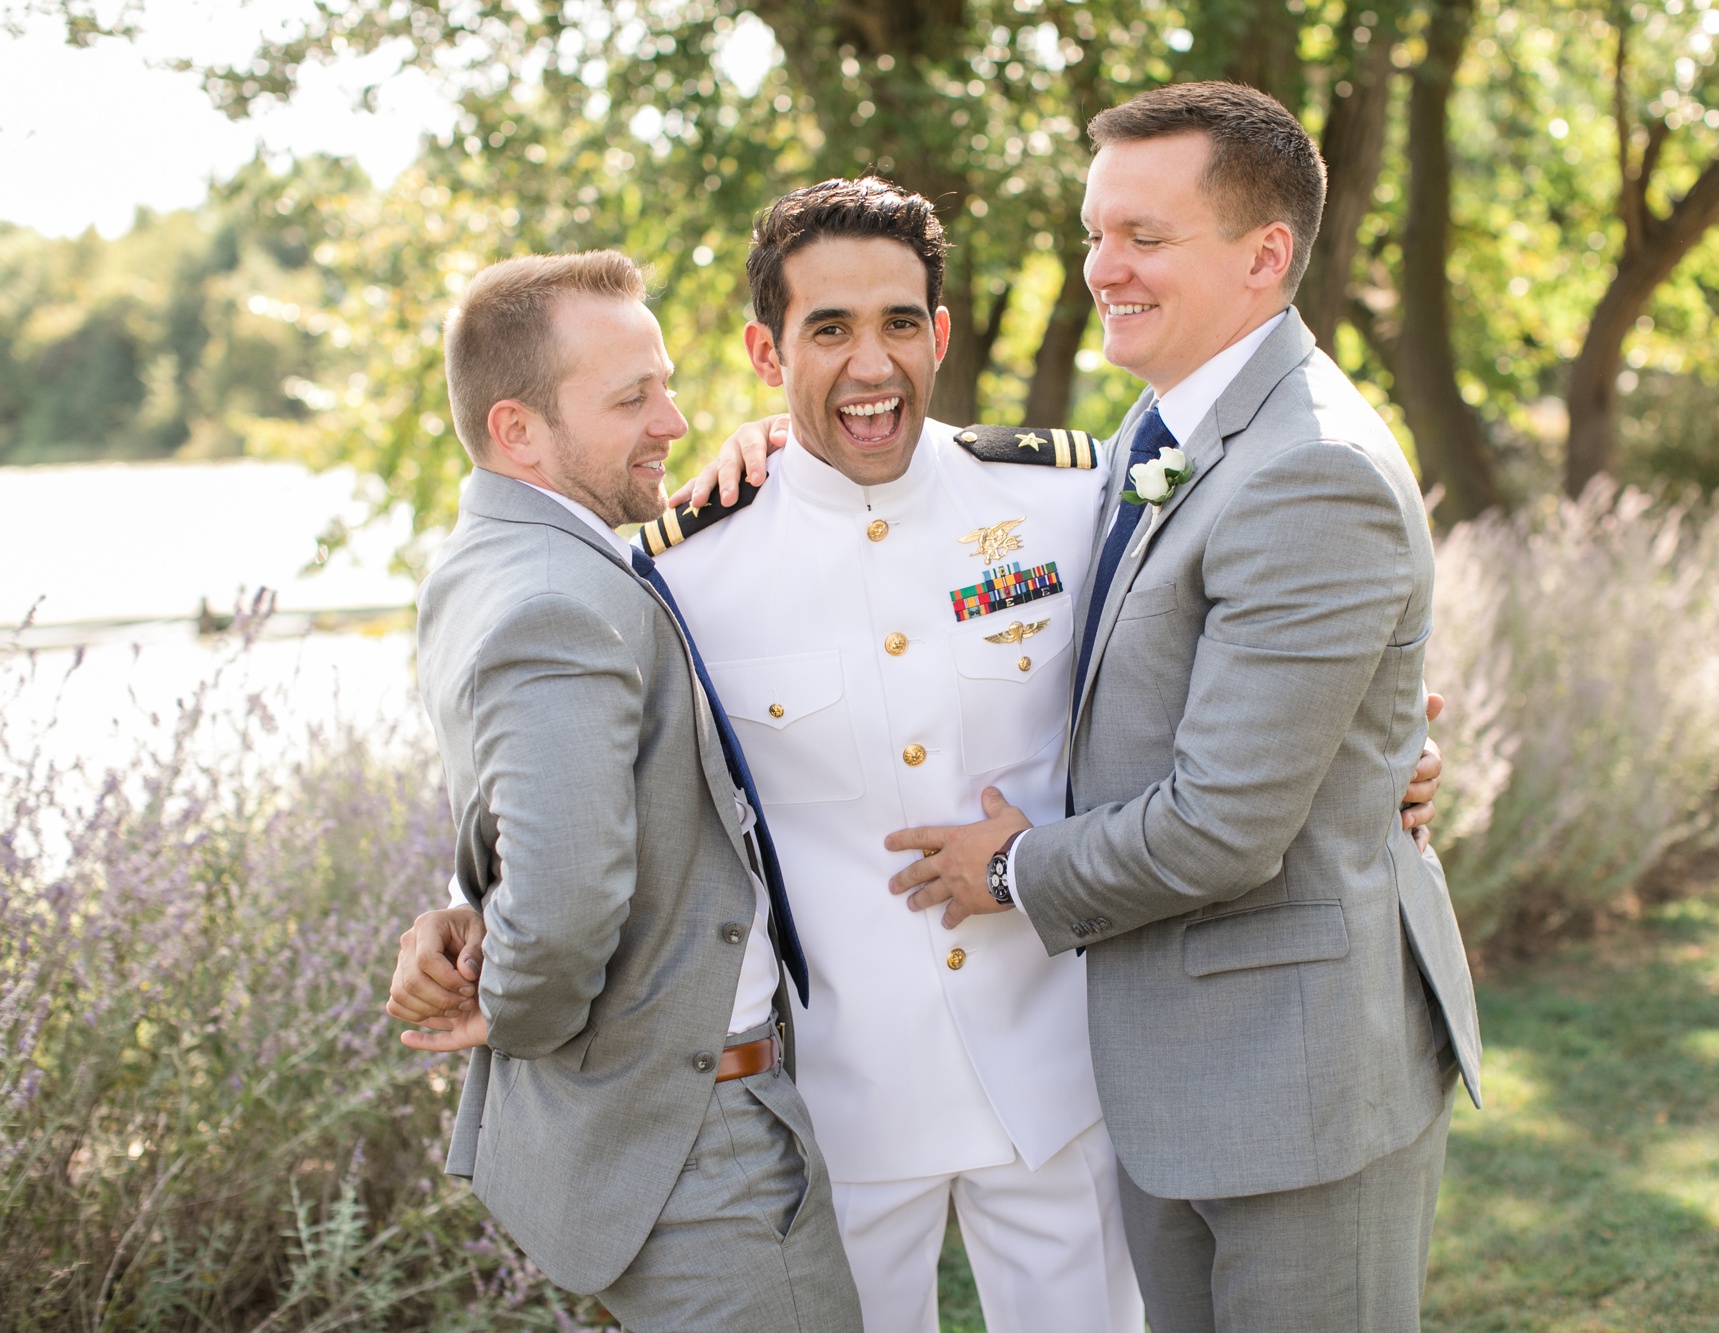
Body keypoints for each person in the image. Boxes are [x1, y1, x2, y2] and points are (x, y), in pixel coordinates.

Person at [390, 180, 1448, 1332]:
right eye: (827, 330)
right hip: (844, 1102)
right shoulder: (683, 570)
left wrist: (1388, 752)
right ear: (763, 348)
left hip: (1065, 1074)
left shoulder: (1069, 496)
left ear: (938, 334)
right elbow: (592, 775)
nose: (870, 363)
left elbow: (1247, 646)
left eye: (899, 322)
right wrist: (466, 906)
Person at [857, 82, 1483, 1332]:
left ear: (1263, 257)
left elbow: (1221, 827)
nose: (1101, 268)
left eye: (1143, 237)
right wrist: (776, 462)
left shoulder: (1307, 467)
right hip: (1175, 1075)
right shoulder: (1165, 424)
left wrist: (1013, 869)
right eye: (1094, 234)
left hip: (1293, 1082)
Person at [393, 250, 862, 1332]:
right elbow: (560, 902)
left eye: (662, 383)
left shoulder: (491, 564)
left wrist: (465, 921)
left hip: (668, 1130)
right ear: (518, 431)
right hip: (701, 1146)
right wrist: (504, 1000)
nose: (672, 417)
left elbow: (527, 812)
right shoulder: (557, 600)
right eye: (631, 396)